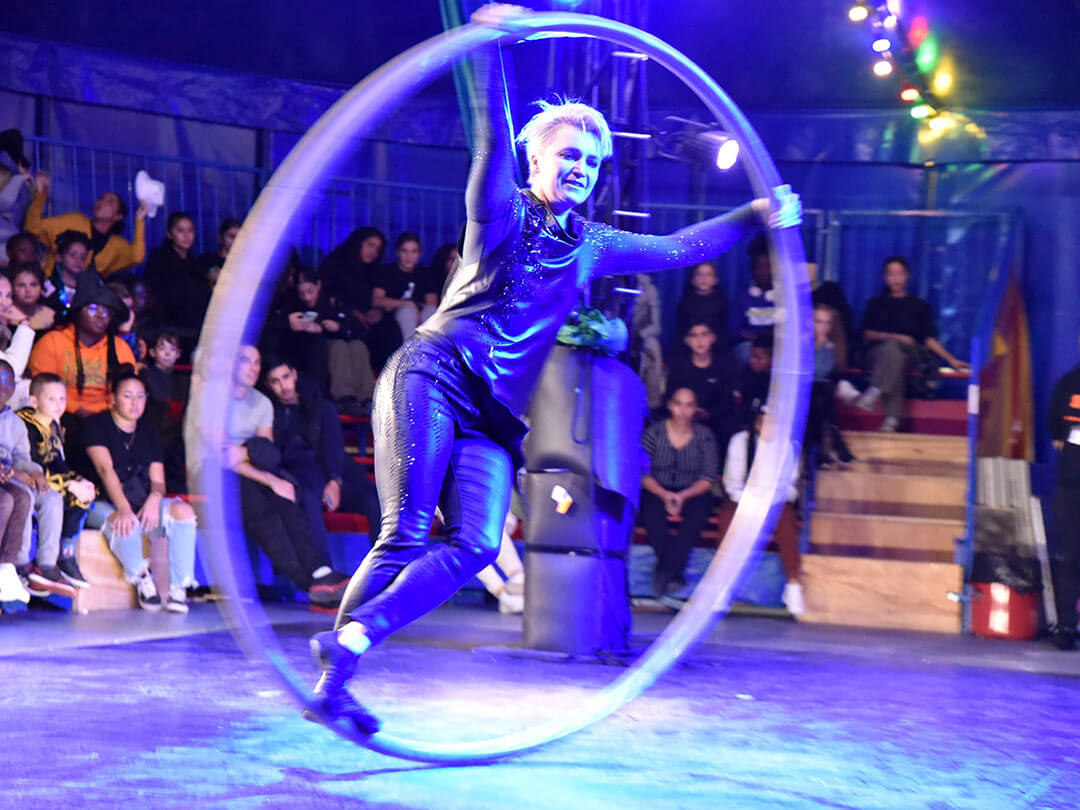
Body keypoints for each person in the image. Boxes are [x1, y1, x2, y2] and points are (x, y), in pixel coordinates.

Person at [303, 2, 803, 736]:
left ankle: (346, 644)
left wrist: (756, 214)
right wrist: (492, 45)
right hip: (433, 377)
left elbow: (678, 250)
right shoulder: (500, 210)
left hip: (494, 418)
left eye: (593, 163)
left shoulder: (591, 244)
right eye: (569, 155)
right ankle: (337, 680)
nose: (581, 169)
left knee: (477, 544)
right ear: (536, 160)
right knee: (405, 532)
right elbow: (490, 140)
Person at [192, 345, 350, 606]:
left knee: (287, 498)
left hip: (250, 470)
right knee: (261, 507)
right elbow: (224, 458)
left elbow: (266, 454)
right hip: (211, 471)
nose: (253, 367)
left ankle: (319, 571)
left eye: (257, 362)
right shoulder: (209, 397)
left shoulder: (262, 403)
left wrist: (258, 463)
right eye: (246, 361)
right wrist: (269, 479)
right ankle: (308, 583)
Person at [84, 373, 197, 613]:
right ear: (113, 398)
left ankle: (179, 588)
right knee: (125, 522)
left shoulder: (150, 434)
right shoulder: (96, 426)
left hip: (140, 500)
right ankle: (142, 578)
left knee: (184, 512)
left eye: (140, 396)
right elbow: (105, 470)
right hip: (101, 501)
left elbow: (158, 482)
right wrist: (124, 508)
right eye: (127, 396)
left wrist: (154, 500)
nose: (135, 403)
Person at [263, 357, 382, 557]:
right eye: (276, 381)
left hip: (337, 470)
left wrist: (334, 480)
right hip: (303, 475)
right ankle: (325, 572)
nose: (284, 386)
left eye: (286, 377)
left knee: (374, 500)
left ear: (294, 374)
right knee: (308, 500)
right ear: (268, 385)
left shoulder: (320, 405)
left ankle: (387, 568)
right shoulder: (271, 413)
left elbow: (334, 445)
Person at [856, 256, 970, 432]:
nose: (896, 278)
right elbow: (868, 334)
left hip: (912, 353)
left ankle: (876, 392)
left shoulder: (919, 306)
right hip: (877, 353)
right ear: (885, 277)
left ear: (907, 276)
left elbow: (929, 339)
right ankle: (891, 419)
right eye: (891, 274)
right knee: (893, 353)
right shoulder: (876, 304)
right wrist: (895, 337)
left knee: (896, 354)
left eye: (899, 274)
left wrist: (951, 360)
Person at [640, 387, 719, 601]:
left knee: (697, 516)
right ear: (670, 405)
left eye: (689, 405)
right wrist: (664, 494)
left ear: (696, 408)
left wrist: (683, 496)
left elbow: (707, 477)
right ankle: (673, 574)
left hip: (692, 490)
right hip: (657, 488)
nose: (683, 411)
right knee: (651, 514)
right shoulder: (654, 433)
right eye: (678, 404)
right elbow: (642, 473)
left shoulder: (704, 436)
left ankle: (665, 571)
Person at [17, 373, 93, 595]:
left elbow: (57, 463)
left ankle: (60, 557)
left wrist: (79, 481)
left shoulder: (54, 424)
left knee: (85, 493)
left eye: (62, 399)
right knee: (54, 495)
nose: (59, 404)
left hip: (46, 481)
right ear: (34, 401)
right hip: (24, 478)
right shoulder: (26, 423)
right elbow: (32, 464)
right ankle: (21, 566)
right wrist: (69, 484)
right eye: (51, 399)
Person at [723, 408, 804, 614]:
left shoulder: (789, 446)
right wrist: (750, 501)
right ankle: (722, 586)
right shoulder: (740, 442)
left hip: (775, 503)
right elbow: (732, 483)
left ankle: (793, 584)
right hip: (745, 500)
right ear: (756, 424)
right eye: (762, 422)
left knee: (787, 520)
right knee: (727, 518)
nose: (767, 427)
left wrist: (771, 501)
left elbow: (791, 486)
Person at [24, 171, 147, 277]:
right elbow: (33, 227)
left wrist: (140, 219)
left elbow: (137, 257)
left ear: (118, 216)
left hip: (86, 294)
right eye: (100, 199)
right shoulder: (75, 221)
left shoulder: (116, 245)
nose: (102, 203)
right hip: (53, 286)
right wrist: (42, 195)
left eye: (110, 201)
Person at [321, 227, 402, 374]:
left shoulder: (374, 269)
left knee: (389, 330)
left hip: (368, 315)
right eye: (370, 245)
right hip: (341, 314)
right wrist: (352, 312)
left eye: (377, 249)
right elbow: (327, 295)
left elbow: (375, 297)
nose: (373, 252)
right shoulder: (335, 263)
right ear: (358, 242)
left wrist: (378, 311)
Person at [1047, 332, 1080, 650]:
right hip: (1070, 485)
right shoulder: (1067, 384)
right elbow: (1057, 434)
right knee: (1069, 556)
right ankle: (1067, 627)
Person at [143, 211, 211, 352]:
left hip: (192, 322)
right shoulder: (159, 258)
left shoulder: (193, 262)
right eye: (180, 231)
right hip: (167, 320)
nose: (186, 236)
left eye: (190, 230)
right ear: (169, 234)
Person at [666, 320, 736, 450]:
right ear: (687, 340)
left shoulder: (724, 366)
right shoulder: (678, 367)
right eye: (694, 335)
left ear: (713, 338)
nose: (699, 340)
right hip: (682, 420)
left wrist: (709, 414)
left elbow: (727, 402)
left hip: (716, 424)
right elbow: (669, 398)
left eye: (704, 334)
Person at [0, 361, 34, 606]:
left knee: (22, 497)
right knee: (5, 501)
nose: (2, 386)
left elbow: (22, 458)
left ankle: (6, 567)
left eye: (8, 381)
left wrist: (31, 472)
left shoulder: (15, 423)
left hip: (5, 476)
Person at [139, 332, 189, 494]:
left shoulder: (183, 381)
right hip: (152, 435)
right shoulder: (146, 375)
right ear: (153, 352)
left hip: (174, 437)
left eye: (172, 349)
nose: (167, 353)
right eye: (162, 348)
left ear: (178, 354)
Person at [806, 303, 853, 467]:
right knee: (820, 394)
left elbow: (830, 373)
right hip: (802, 388)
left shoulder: (833, 347)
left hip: (821, 392)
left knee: (821, 396)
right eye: (818, 322)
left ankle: (819, 453)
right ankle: (836, 444)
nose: (823, 327)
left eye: (827, 323)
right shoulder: (802, 343)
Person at [373, 231, 437, 341]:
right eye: (404, 251)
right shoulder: (387, 272)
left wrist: (415, 307)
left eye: (414, 251)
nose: (409, 256)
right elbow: (377, 300)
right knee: (406, 312)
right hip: (394, 316)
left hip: (420, 315)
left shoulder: (424, 273)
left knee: (430, 311)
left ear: (419, 254)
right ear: (397, 252)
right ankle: (410, 350)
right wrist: (406, 304)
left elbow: (432, 303)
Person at [729, 235, 777, 366]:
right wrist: (760, 338)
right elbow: (735, 332)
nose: (764, 272)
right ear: (753, 269)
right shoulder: (742, 298)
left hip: (778, 346)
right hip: (751, 346)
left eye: (768, 267)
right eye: (760, 267)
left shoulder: (786, 298)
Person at [41, 229, 91, 321]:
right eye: (72, 255)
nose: (78, 260)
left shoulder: (89, 290)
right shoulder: (48, 286)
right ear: (58, 257)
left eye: (83, 257)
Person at [675, 260, 728, 346]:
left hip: (716, 348)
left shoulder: (724, 305)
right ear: (693, 280)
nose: (704, 278)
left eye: (708, 274)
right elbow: (680, 335)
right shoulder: (683, 305)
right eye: (699, 274)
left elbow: (724, 335)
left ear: (715, 280)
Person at [0, 130, 33, 267]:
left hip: (12, 242)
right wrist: (19, 179)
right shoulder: (15, 178)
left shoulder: (20, 176)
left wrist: (28, 184)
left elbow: (27, 207)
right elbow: (4, 203)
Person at [632, 273, 664, 411]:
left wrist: (639, 335)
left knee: (653, 348)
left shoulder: (648, 288)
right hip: (613, 333)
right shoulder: (611, 281)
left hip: (639, 336)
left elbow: (656, 327)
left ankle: (652, 405)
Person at [9, 262, 57, 333]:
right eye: (21, 285)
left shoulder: (51, 316)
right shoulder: (4, 315)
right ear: (12, 288)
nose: (28, 290)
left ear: (41, 288)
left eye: (33, 285)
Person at [198, 217, 241, 288]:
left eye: (239, 237)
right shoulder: (206, 260)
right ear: (220, 237)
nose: (235, 240)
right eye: (231, 236)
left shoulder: (245, 264)